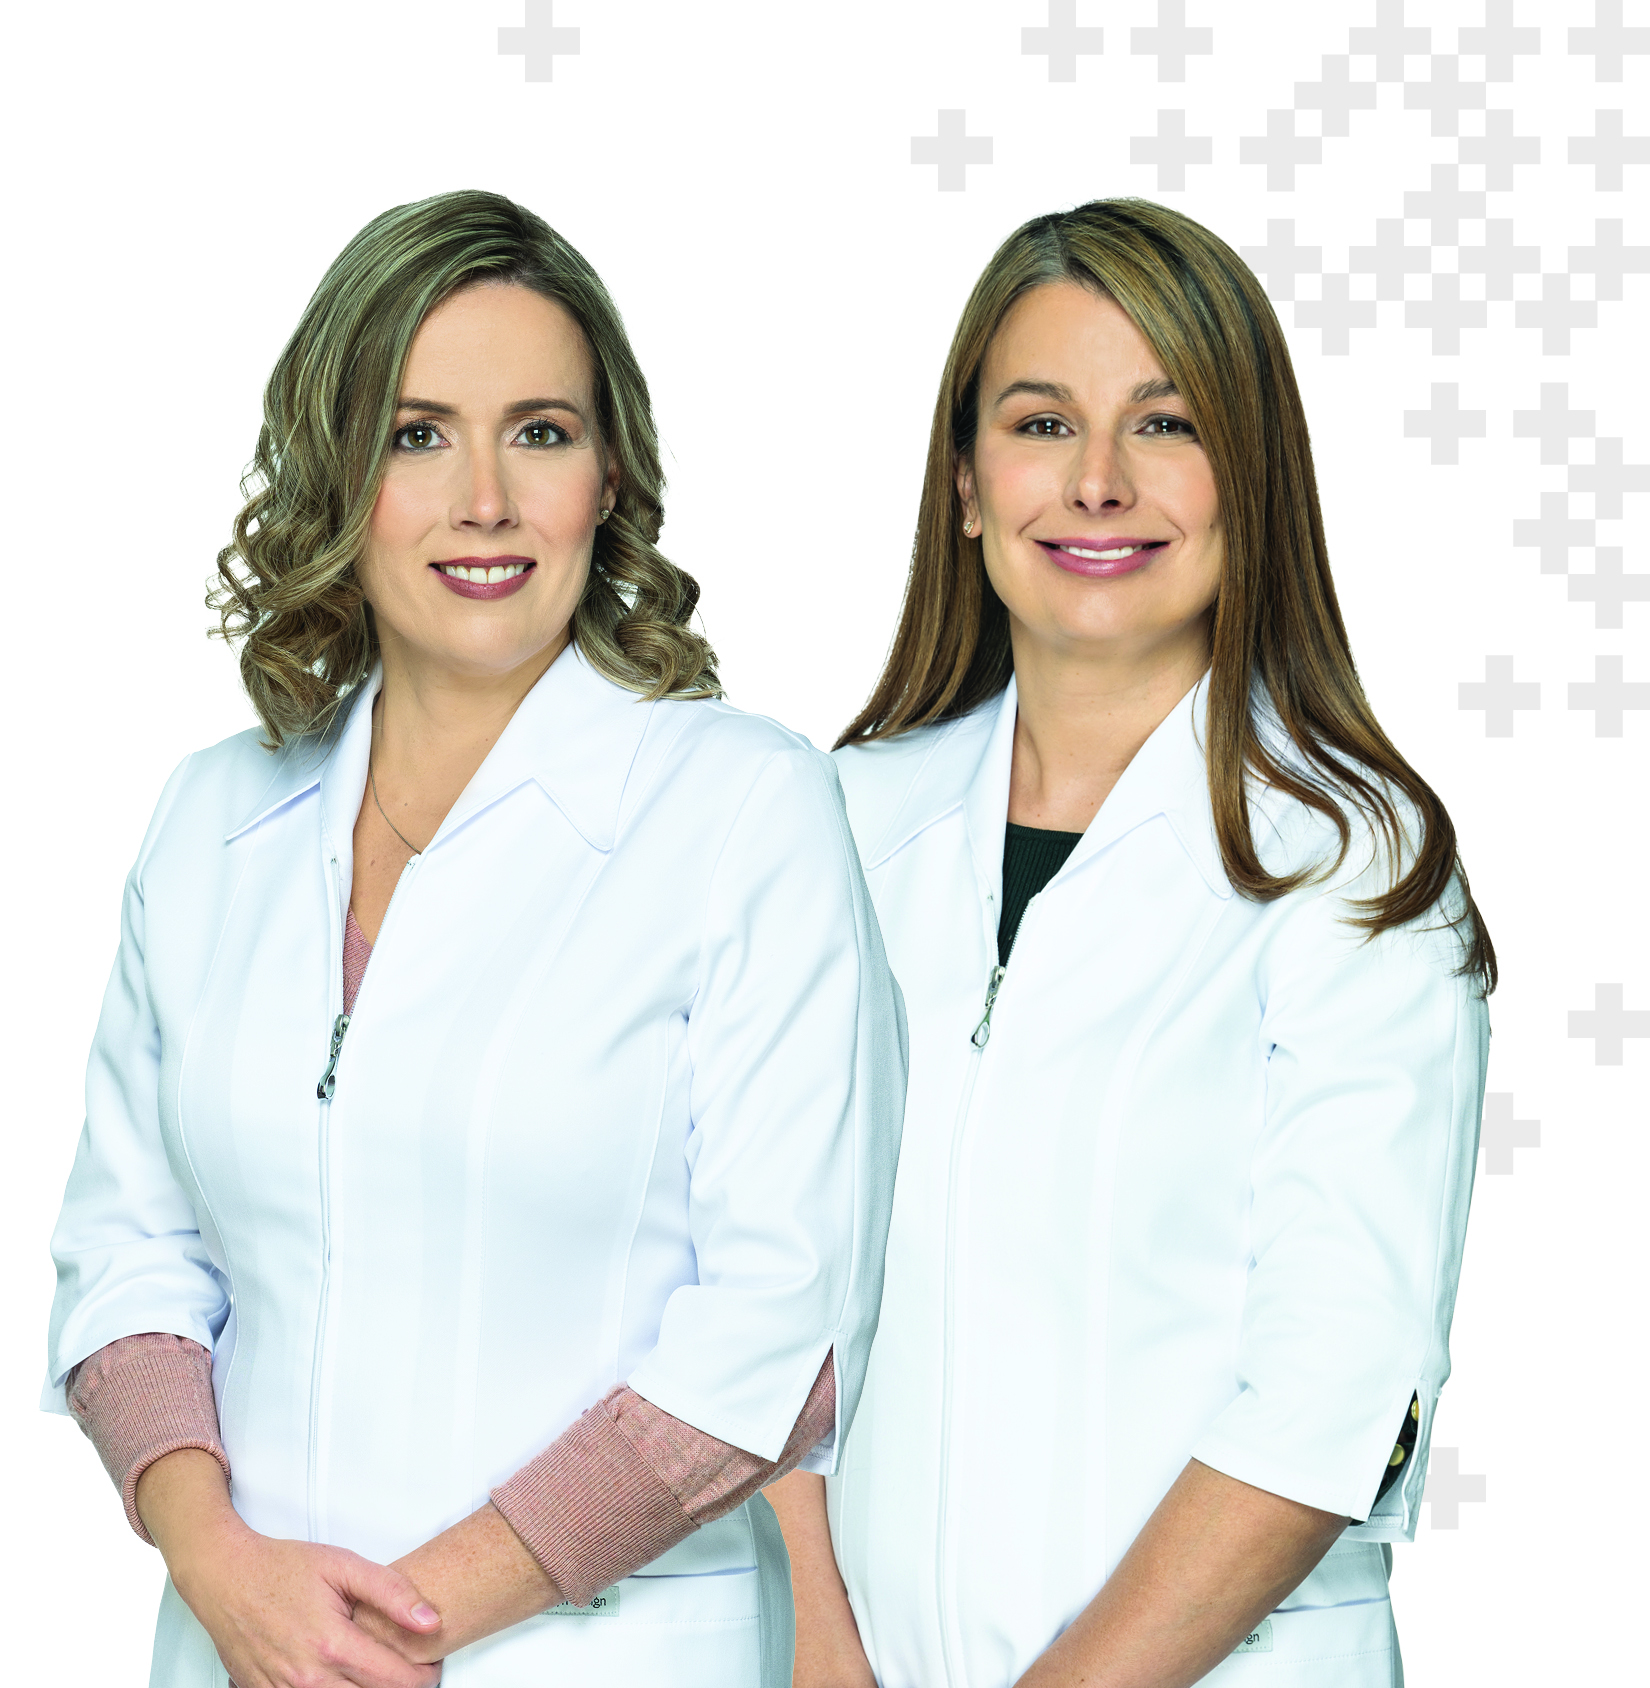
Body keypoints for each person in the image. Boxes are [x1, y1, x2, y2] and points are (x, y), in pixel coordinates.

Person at [44, 188, 905, 1688]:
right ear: (337, 469)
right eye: (418, 434)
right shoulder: (211, 822)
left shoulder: (740, 811)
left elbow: (784, 1332)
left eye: (541, 433)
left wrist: (388, 1628)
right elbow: (126, 1255)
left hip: (596, 1658)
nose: (485, 500)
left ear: (608, 474)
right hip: (241, 1648)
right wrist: (221, 1567)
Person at [765, 198, 1491, 1688]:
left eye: (1165, 424)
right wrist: (817, 1654)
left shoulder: (1352, 867)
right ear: (966, 485)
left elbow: (1334, 1391)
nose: (1097, 481)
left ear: (1250, 480)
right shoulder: (834, 827)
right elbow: (744, 1292)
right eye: (1042, 423)